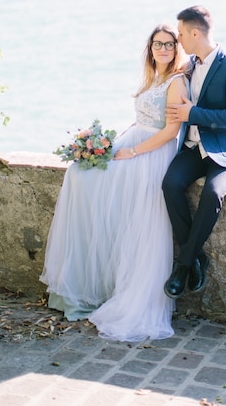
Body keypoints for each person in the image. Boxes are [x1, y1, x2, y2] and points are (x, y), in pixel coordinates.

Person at [40, 24, 188, 342]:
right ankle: (87, 284)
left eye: (169, 44)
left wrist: (132, 152)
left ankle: (125, 294)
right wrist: (112, 145)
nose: (163, 49)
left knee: (112, 199)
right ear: (150, 49)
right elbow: (141, 120)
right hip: (133, 143)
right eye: (157, 44)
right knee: (78, 173)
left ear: (177, 49)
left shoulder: (176, 83)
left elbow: (170, 132)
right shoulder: (152, 78)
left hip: (152, 153)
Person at [162, 5, 226, 299]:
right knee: (170, 184)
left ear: (195, 32)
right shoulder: (188, 66)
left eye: (181, 33)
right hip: (192, 148)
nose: (179, 39)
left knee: (212, 193)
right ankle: (197, 257)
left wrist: (194, 113)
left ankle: (182, 266)